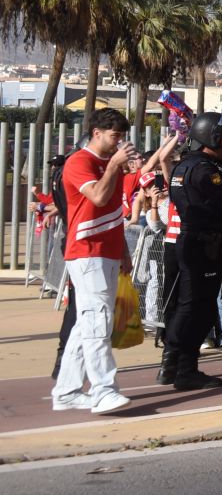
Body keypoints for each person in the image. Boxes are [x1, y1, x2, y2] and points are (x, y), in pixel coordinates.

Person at [50, 108, 138, 414]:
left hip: (107, 249)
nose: (119, 142)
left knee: (87, 322)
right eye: (115, 136)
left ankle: (67, 391)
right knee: (98, 320)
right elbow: (98, 198)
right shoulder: (80, 162)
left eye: (122, 137)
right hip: (87, 250)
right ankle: (103, 389)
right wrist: (114, 165)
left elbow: (113, 211)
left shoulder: (108, 163)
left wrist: (123, 250)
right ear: (97, 133)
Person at [162, 114, 222, 392]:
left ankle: (175, 363)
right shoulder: (202, 169)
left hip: (190, 240)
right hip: (203, 242)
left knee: (191, 303)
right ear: (208, 139)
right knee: (198, 307)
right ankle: (182, 366)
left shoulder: (182, 167)